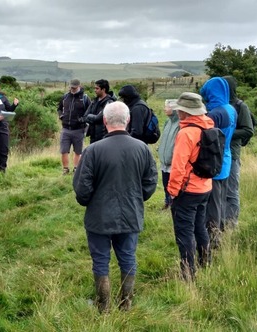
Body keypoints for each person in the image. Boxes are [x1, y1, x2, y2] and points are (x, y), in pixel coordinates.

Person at [73, 101, 157, 313]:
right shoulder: (142, 149)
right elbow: (150, 183)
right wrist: (136, 199)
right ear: (127, 121)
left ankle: (103, 306)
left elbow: (82, 187)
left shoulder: (93, 150)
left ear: (104, 121)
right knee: (128, 257)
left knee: (101, 260)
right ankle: (125, 303)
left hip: (99, 216)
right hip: (131, 214)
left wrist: (89, 202)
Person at [167, 92, 214, 281]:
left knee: (184, 232)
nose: (178, 113)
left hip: (188, 190)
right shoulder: (208, 126)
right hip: (205, 187)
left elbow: (178, 166)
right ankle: (205, 262)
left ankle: (188, 274)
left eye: (180, 110)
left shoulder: (186, 133)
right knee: (200, 227)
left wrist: (172, 191)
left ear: (186, 112)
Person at [200, 77, 236, 249]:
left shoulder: (215, 113)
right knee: (221, 200)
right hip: (226, 158)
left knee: (213, 204)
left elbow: (204, 135)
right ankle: (220, 231)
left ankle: (213, 239)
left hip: (215, 161)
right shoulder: (230, 109)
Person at [223, 76, 254, 230]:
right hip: (217, 154)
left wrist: (226, 133)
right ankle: (219, 222)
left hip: (233, 154)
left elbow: (248, 130)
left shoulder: (241, 106)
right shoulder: (219, 104)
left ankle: (231, 224)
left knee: (231, 191)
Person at [57, 79, 90, 175]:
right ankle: (65, 169)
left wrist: (83, 119)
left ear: (79, 86)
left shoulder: (85, 98)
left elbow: (89, 111)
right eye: (71, 87)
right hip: (66, 128)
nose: (72, 89)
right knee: (64, 150)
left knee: (78, 151)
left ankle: (76, 169)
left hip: (79, 129)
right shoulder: (65, 97)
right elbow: (59, 108)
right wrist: (61, 116)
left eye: (74, 87)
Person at [157, 99, 180, 210]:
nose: (164, 109)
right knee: (165, 183)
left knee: (173, 185)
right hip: (164, 161)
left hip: (173, 161)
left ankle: (173, 204)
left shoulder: (180, 124)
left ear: (174, 109)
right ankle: (167, 202)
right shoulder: (167, 121)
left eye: (166, 107)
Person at [83, 79, 115, 143]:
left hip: (104, 136)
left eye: (97, 88)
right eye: (95, 88)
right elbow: (85, 116)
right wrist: (93, 117)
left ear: (103, 89)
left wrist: (91, 117)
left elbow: (99, 118)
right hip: (93, 136)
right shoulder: (94, 101)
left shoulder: (109, 102)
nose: (95, 90)